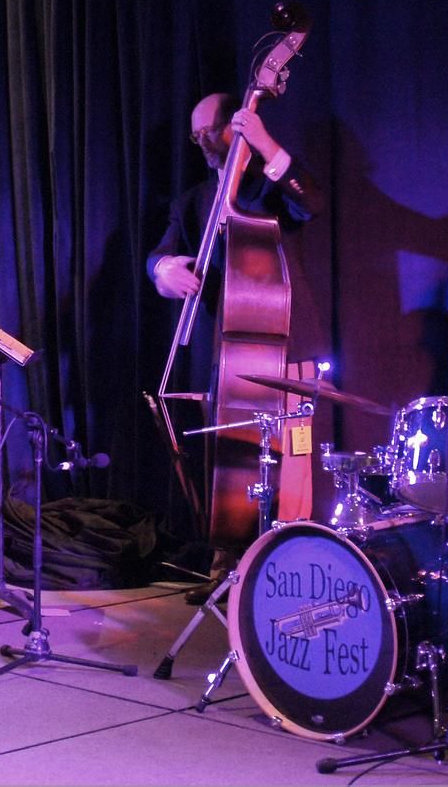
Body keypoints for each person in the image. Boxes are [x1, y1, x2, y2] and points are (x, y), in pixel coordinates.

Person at [148, 92, 327, 600]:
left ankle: (287, 570)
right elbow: (160, 254)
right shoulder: (194, 200)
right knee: (229, 463)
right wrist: (163, 269)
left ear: (237, 125)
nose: (201, 142)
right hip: (228, 353)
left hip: (287, 346)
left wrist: (266, 144)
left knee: (291, 469)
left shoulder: (268, 185)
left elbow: (311, 202)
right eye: (195, 134)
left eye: (208, 130)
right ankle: (229, 567)